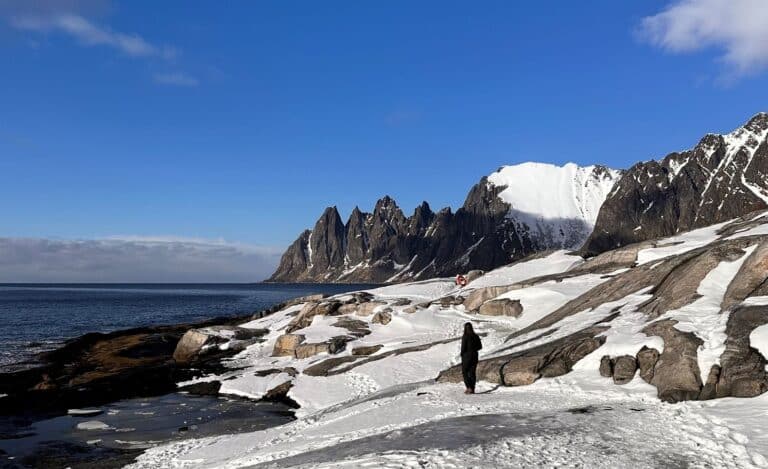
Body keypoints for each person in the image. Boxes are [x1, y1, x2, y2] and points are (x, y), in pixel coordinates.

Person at [460, 322, 482, 394]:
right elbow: (480, 347)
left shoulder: (465, 336)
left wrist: (462, 354)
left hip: (467, 356)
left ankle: (469, 387)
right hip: (475, 355)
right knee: (472, 372)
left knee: (465, 372)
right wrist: (474, 349)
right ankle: (472, 388)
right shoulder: (476, 336)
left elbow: (463, 348)